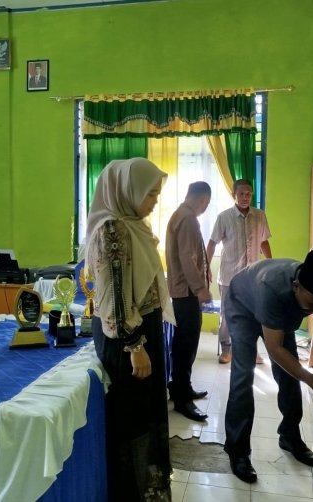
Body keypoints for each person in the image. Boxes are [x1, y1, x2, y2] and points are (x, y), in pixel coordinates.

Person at [83, 157, 173, 501]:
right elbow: (114, 296)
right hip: (126, 337)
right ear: (127, 191)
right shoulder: (113, 229)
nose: (154, 201)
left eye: (156, 194)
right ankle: (128, 493)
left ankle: (141, 488)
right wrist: (135, 345)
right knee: (131, 418)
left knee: (143, 412)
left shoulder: (133, 225)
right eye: (150, 194)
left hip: (139, 329)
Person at [223, 249, 313, 483]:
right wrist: (310, 379)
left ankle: (289, 435)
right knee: (243, 375)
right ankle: (238, 451)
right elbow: (275, 350)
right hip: (242, 306)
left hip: (278, 312)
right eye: (310, 306)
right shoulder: (272, 289)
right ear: (296, 287)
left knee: (290, 375)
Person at [206, 179, 272, 364]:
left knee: (253, 314)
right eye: (241, 194)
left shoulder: (259, 216)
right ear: (234, 194)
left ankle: (251, 350)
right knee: (228, 315)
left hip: (253, 278)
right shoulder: (224, 217)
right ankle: (227, 349)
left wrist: (270, 264)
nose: (245, 197)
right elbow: (212, 243)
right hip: (229, 277)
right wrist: (206, 268)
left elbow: (264, 241)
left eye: (249, 194)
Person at [165, 181, 213, 422]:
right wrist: (200, 288)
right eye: (207, 203)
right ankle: (182, 399)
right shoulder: (188, 218)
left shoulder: (181, 215)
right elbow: (187, 256)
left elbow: (191, 255)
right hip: (187, 292)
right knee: (186, 344)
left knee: (184, 343)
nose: (205, 207)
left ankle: (181, 388)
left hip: (183, 290)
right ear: (203, 199)